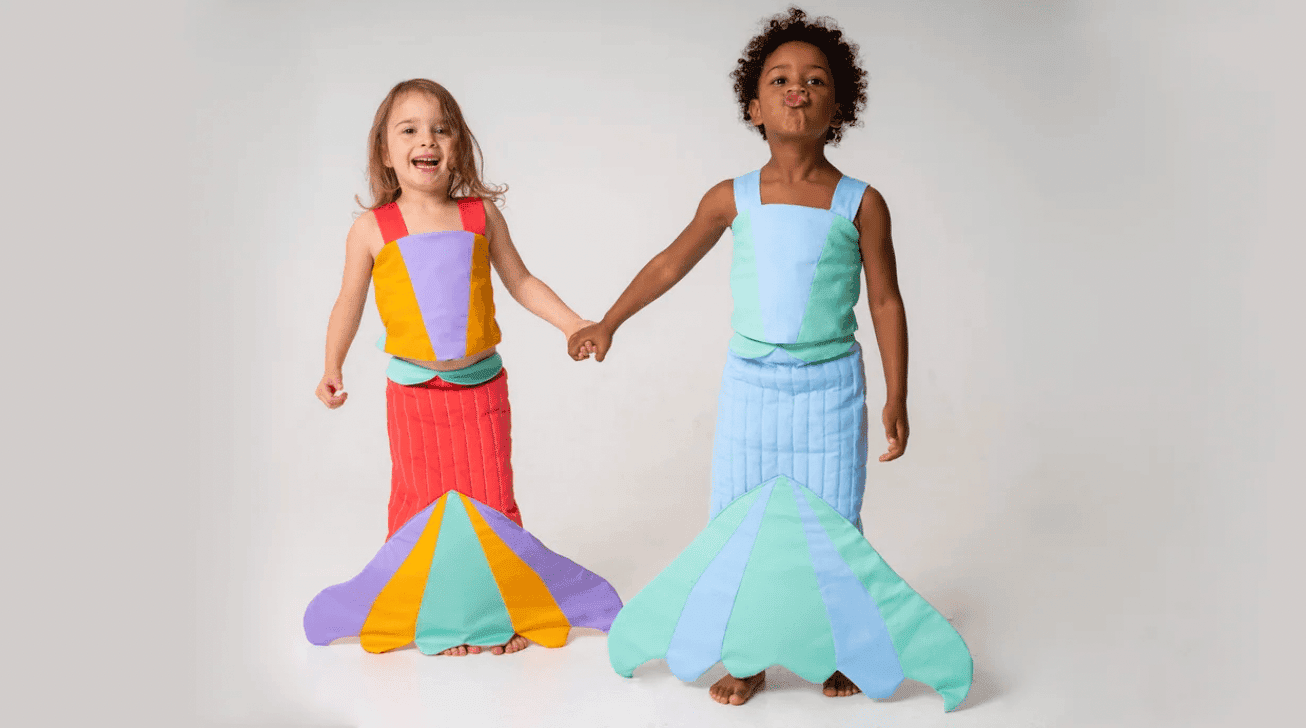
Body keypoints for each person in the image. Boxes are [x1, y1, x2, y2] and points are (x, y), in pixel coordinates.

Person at [568, 8, 973, 710]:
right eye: (780, 78)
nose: (797, 88)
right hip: (752, 387)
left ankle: (839, 646)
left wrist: (897, 395)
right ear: (752, 104)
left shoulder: (861, 204)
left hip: (829, 388)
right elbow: (670, 264)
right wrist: (610, 320)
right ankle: (748, 654)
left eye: (815, 80)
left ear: (838, 105)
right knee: (741, 519)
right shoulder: (732, 198)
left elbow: (885, 303)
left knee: (831, 521)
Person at [303, 79, 619, 658]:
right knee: (419, 508)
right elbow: (348, 302)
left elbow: (521, 281)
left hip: (480, 393)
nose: (428, 140)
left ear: (459, 146)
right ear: (384, 150)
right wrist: (332, 365)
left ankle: (503, 606)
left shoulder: (480, 216)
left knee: (491, 502)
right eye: (411, 129)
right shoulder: (373, 229)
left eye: (442, 128)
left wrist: (574, 323)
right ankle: (432, 610)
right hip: (414, 397)